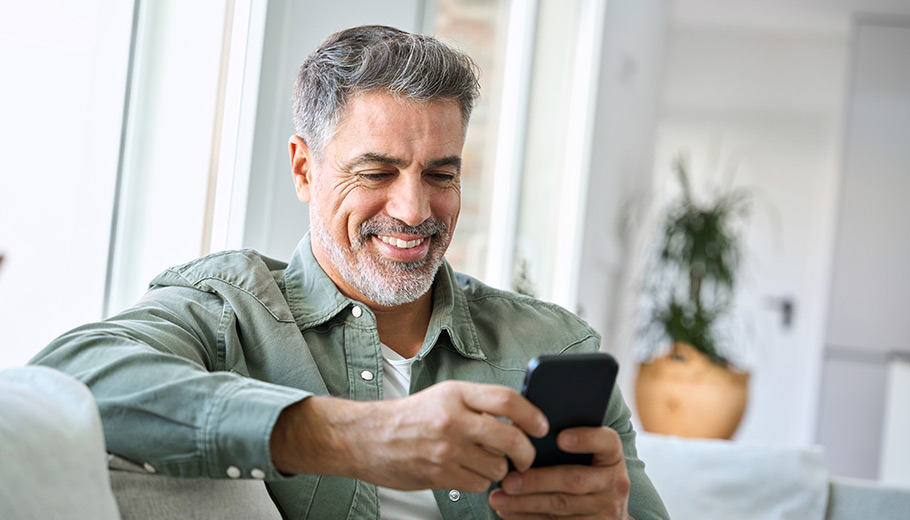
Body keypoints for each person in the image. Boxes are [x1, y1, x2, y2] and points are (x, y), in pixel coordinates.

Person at [31, 25, 668, 519]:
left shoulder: (554, 345)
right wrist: (356, 437)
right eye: (376, 173)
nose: (415, 210)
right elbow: (68, 377)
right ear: (305, 170)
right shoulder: (228, 310)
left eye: (441, 174)